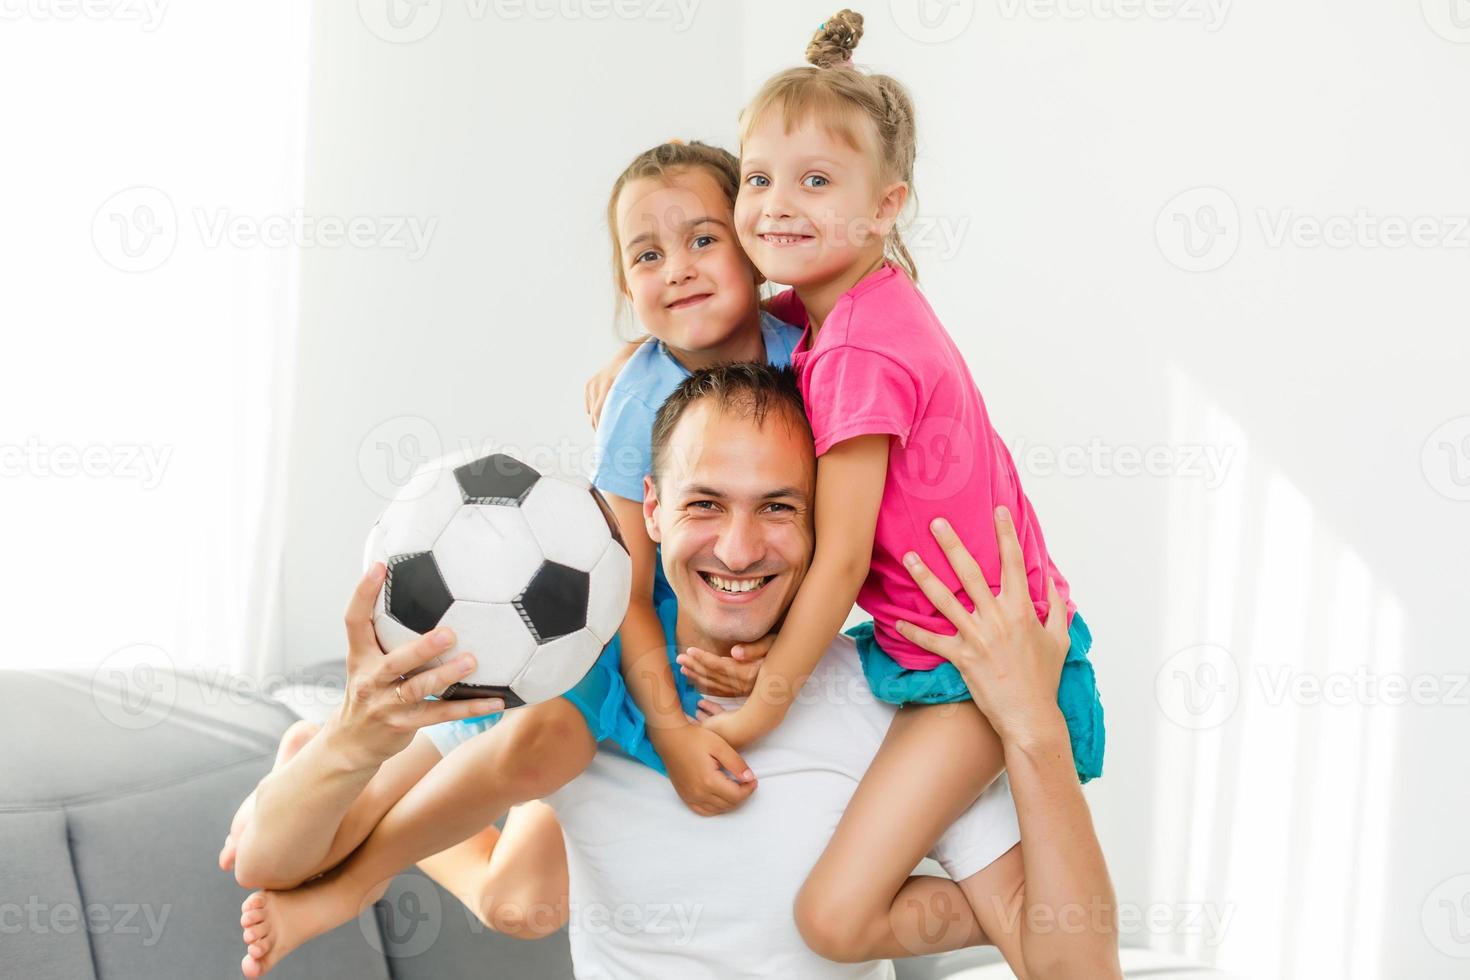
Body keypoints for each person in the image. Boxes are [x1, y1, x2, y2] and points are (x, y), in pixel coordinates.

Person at [234, 363, 1122, 978]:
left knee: (521, 897)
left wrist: (1035, 727)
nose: (739, 547)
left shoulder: (893, 712)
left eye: (779, 508)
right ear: (649, 510)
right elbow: (273, 860)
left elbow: (1075, 968)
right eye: (705, 504)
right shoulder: (576, 678)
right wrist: (350, 740)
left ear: (827, 525)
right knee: (520, 895)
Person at [227, 138, 808, 976]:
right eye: (647, 254)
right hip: (603, 645)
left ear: (754, 245)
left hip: (700, 648)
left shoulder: (810, 354)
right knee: (520, 759)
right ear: (625, 287)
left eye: (703, 239)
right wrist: (675, 734)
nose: (676, 267)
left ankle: (359, 832)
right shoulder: (638, 401)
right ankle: (352, 873)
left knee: (521, 904)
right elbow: (626, 594)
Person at [665, 11, 1107, 969]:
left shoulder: (860, 349)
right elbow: (735, 317)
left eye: (816, 182)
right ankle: (1018, 917)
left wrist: (763, 703)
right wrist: (635, 353)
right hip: (941, 650)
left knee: (834, 921)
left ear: (886, 207)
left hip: (978, 662)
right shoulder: (849, 306)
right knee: (963, 935)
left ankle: (1018, 919)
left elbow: (845, 553)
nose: (776, 204)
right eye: (759, 178)